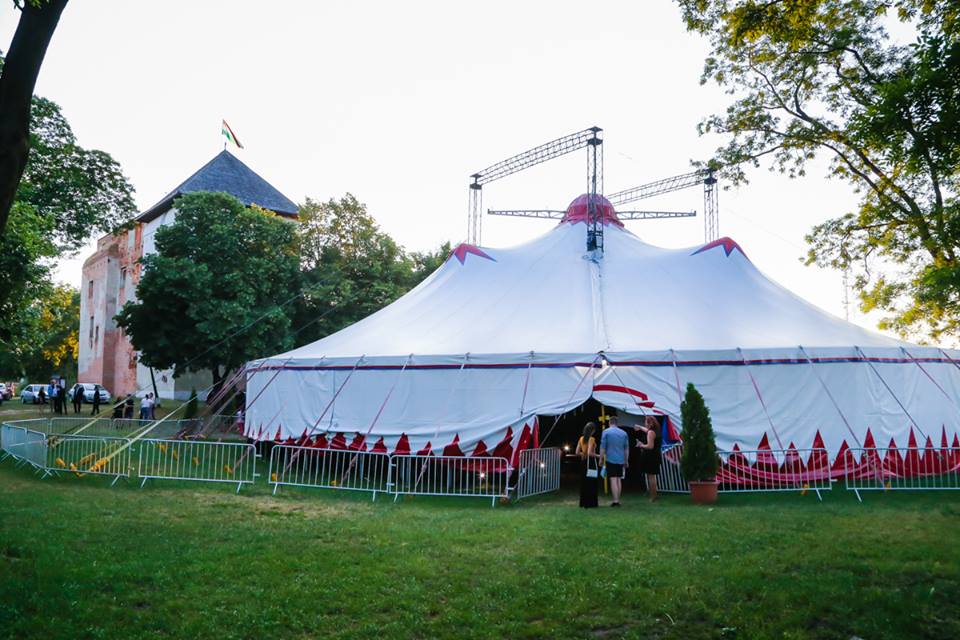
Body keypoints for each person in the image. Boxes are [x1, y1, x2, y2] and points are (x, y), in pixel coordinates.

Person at [599, 415, 630, 507]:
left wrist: (601, 458)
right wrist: (626, 460)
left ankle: (615, 501)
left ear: (610, 422)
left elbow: (603, 447)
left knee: (613, 479)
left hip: (610, 459)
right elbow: (626, 449)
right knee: (619, 479)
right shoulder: (624, 433)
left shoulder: (606, 432)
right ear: (617, 423)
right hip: (621, 459)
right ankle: (618, 499)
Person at [636, 415, 662, 503]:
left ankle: (653, 497)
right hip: (656, 456)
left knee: (651, 477)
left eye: (646, 422)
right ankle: (654, 495)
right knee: (652, 476)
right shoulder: (656, 431)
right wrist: (640, 427)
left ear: (650, 424)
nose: (645, 424)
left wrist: (641, 445)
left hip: (651, 457)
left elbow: (650, 446)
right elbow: (646, 430)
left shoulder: (651, 432)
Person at [576, 422, 601, 508]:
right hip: (590, 463)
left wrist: (583, 454)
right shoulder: (591, 439)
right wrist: (599, 456)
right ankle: (591, 503)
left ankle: (583, 502)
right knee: (591, 482)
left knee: (584, 482)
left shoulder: (581, 438)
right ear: (592, 430)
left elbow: (577, 452)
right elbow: (590, 453)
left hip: (583, 462)